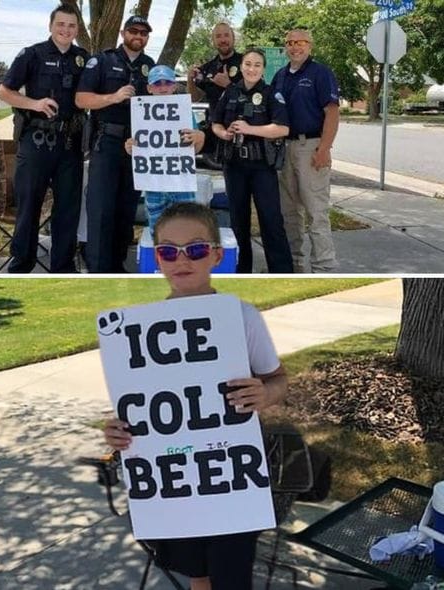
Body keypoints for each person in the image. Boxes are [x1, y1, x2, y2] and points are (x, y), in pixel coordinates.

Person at [104, 201, 288, 590]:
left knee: (231, 575)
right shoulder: (135, 332)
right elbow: (137, 408)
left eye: (196, 249)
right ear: (157, 257)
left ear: (217, 255)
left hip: (230, 481)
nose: (181, 259)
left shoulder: (242, 316)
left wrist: (265, 395)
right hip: (176, 486)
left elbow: (278, 379)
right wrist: (119, 433)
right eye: (169, 251)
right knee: (196, 575)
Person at [0, 4, 88, 273]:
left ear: (77, 30)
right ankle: (22, 264)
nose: (65, 30)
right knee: (28, 208)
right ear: (51, 26)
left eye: (71, 26)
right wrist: (34, 104)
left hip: (70, 145)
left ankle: (63, 266)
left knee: (68, 210)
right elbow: (4, 92)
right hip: (36, 142)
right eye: (61, 24)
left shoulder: (83, 58)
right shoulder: (32, 54)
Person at [75, 15, 155, 273]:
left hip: (138, 146)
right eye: (134, 31)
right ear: (123, 33)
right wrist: (113, 96)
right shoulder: (102, 60)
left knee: (126, 208)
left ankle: (117, 263)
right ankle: (98, 267)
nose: (138, 36)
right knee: (101, 208)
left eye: (144, 32)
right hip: (106, 142)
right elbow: (81, 99)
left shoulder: (149, 65)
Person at [211, 49, 294, 274]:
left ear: (263, 69)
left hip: (261, 167)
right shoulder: (230, 92)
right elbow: (215, 122)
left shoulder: (271, 94)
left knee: (271, 220)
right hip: (234, 165)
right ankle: (240, 271)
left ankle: (281, 272)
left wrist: (250, 129)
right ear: (242, 65)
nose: (251, 69)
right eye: (248, 63)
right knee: (238, 221)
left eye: (257, 65)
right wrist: (222, 134)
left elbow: (283, 128)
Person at [271, 28, 340, 273]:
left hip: (310, 146)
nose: (295, 47)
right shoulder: (280, 76)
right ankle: (295, 265)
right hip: (284, 148)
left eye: (300, 42)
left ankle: (324, 267)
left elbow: (332, 112)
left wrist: (324, 148)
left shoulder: (320, 73)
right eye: (290, 42)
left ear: (310, 45)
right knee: (289, 213)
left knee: (316, 212)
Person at [124, 65, 205, 236]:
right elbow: (137, 150)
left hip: (182, 185)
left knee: (185, 232)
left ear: (174, 86)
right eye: (157, 84)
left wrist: (199, 137)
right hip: (154, 185)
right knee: (157, 233)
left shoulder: (184, 112)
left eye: (167, 83)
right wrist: (130, 147)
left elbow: (195, 149)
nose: (162, 87)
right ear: (149, 88)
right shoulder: (141, 113)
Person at [187, 22, 243, 166]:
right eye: (218, 36)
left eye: (226, 35)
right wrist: (190, 79)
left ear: (233, 38)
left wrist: (228, 85)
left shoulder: (246, 63)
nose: (223, 39)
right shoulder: (208, 68)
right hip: (215, 129)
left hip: (241, 129)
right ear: (213, 41)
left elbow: (255, 96)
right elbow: (195, 98)